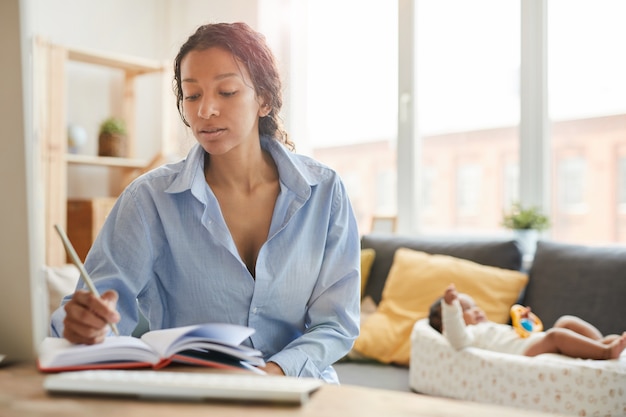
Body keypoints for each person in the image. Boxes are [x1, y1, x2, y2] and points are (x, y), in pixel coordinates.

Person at [50, 22, 361, 382]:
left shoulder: (325, 192)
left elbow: (336, 324)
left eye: (226, 91)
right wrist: (83, 325)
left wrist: (274, 372)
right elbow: (92, 312)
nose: (205, 110)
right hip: (194, 395)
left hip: (298, 393)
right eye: (192, 95)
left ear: (265, 99)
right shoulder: (148, 200)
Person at [428, 283, 626, 360]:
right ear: (447, 324)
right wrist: (450, 307)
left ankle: (597, 344)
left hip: (530, 341)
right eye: (466, 310)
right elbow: (456, 336)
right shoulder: (467, 335)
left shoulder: (489, 326)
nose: (476, 310)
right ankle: (606, 352)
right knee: (556, 336)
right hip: (522, 352)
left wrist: (525, 323)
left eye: (474, 305)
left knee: (565, 322)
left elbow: (521, 334)